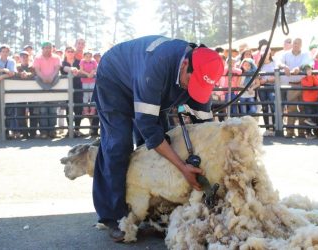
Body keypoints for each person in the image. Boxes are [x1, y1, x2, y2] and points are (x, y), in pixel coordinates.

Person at [92, 36, 223, 242]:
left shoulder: (199, 70)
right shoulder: (156, 67)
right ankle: (112, 215)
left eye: (200, 86)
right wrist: (182, 167)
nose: (193, 90)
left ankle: (148, 207)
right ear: (185, 64)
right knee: (118, 144)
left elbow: (206, 126)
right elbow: (148, 127)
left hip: (152, 88)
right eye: (192, 82)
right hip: (115, 79)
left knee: (162, 143)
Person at [277, 38, 312, 138]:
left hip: (303, 84)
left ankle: (301, 132)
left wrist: (299, 68)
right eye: (295, 43)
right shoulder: (285, 54)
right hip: (292, 84)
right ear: (292, 44)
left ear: (301, 45)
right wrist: (284, 66)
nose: (296, 45)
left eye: (298, 43)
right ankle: (290, 132)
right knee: (291, 108)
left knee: (302, 108)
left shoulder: (305, 54)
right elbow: (279, 62)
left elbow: (307, 63)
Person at [33, 41, 61, 138]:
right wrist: (43, 77)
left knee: (53, 109)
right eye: (46, 47)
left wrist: (51, 77)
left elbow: (57, 69)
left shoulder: (56, 57)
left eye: (50, 47)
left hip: (53, 83)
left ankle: (52, 130)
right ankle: (44, 131)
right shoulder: (37, 58)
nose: (48, 49)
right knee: (43, 109)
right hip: (41, 83)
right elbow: (37, 70)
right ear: (42, 49)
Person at [60, 46, 84, 137]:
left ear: (74, 53)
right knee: (68, 110)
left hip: (78, 87)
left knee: (78, 109)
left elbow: (83, 72)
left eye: (72, 51)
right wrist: (71, 69)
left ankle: (77, 129)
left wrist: (78, 72)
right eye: (68, 51)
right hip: (66, 89)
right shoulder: (62, 63)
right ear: (65, 53)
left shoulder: (79, 62)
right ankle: (70, 130)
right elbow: (62, 70)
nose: (70, 53)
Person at [257, 48, 276, 136]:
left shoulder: (274, 63)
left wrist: (267, 79)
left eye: (266, 53)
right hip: (262, 87)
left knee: (272, 106)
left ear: (269, 54)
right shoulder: (259, 64)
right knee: (264, 107)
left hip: (271, 86)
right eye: (263, 53)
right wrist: (259, 79)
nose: (264, 54)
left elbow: (277, 76)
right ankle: (267, 128)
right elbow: (256, 75)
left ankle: (275, 128)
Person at [300, 64, 318, 139]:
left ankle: (316, 133)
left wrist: (312, 76)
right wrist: (309, 76)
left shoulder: (314, 76)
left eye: (310, 69)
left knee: (316, 118)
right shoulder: (303, 79)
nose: (309, 71)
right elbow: (310, 84)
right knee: (308, 118)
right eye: (306, 70)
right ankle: (308, 133)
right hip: (307, 101)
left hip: (316, 100)